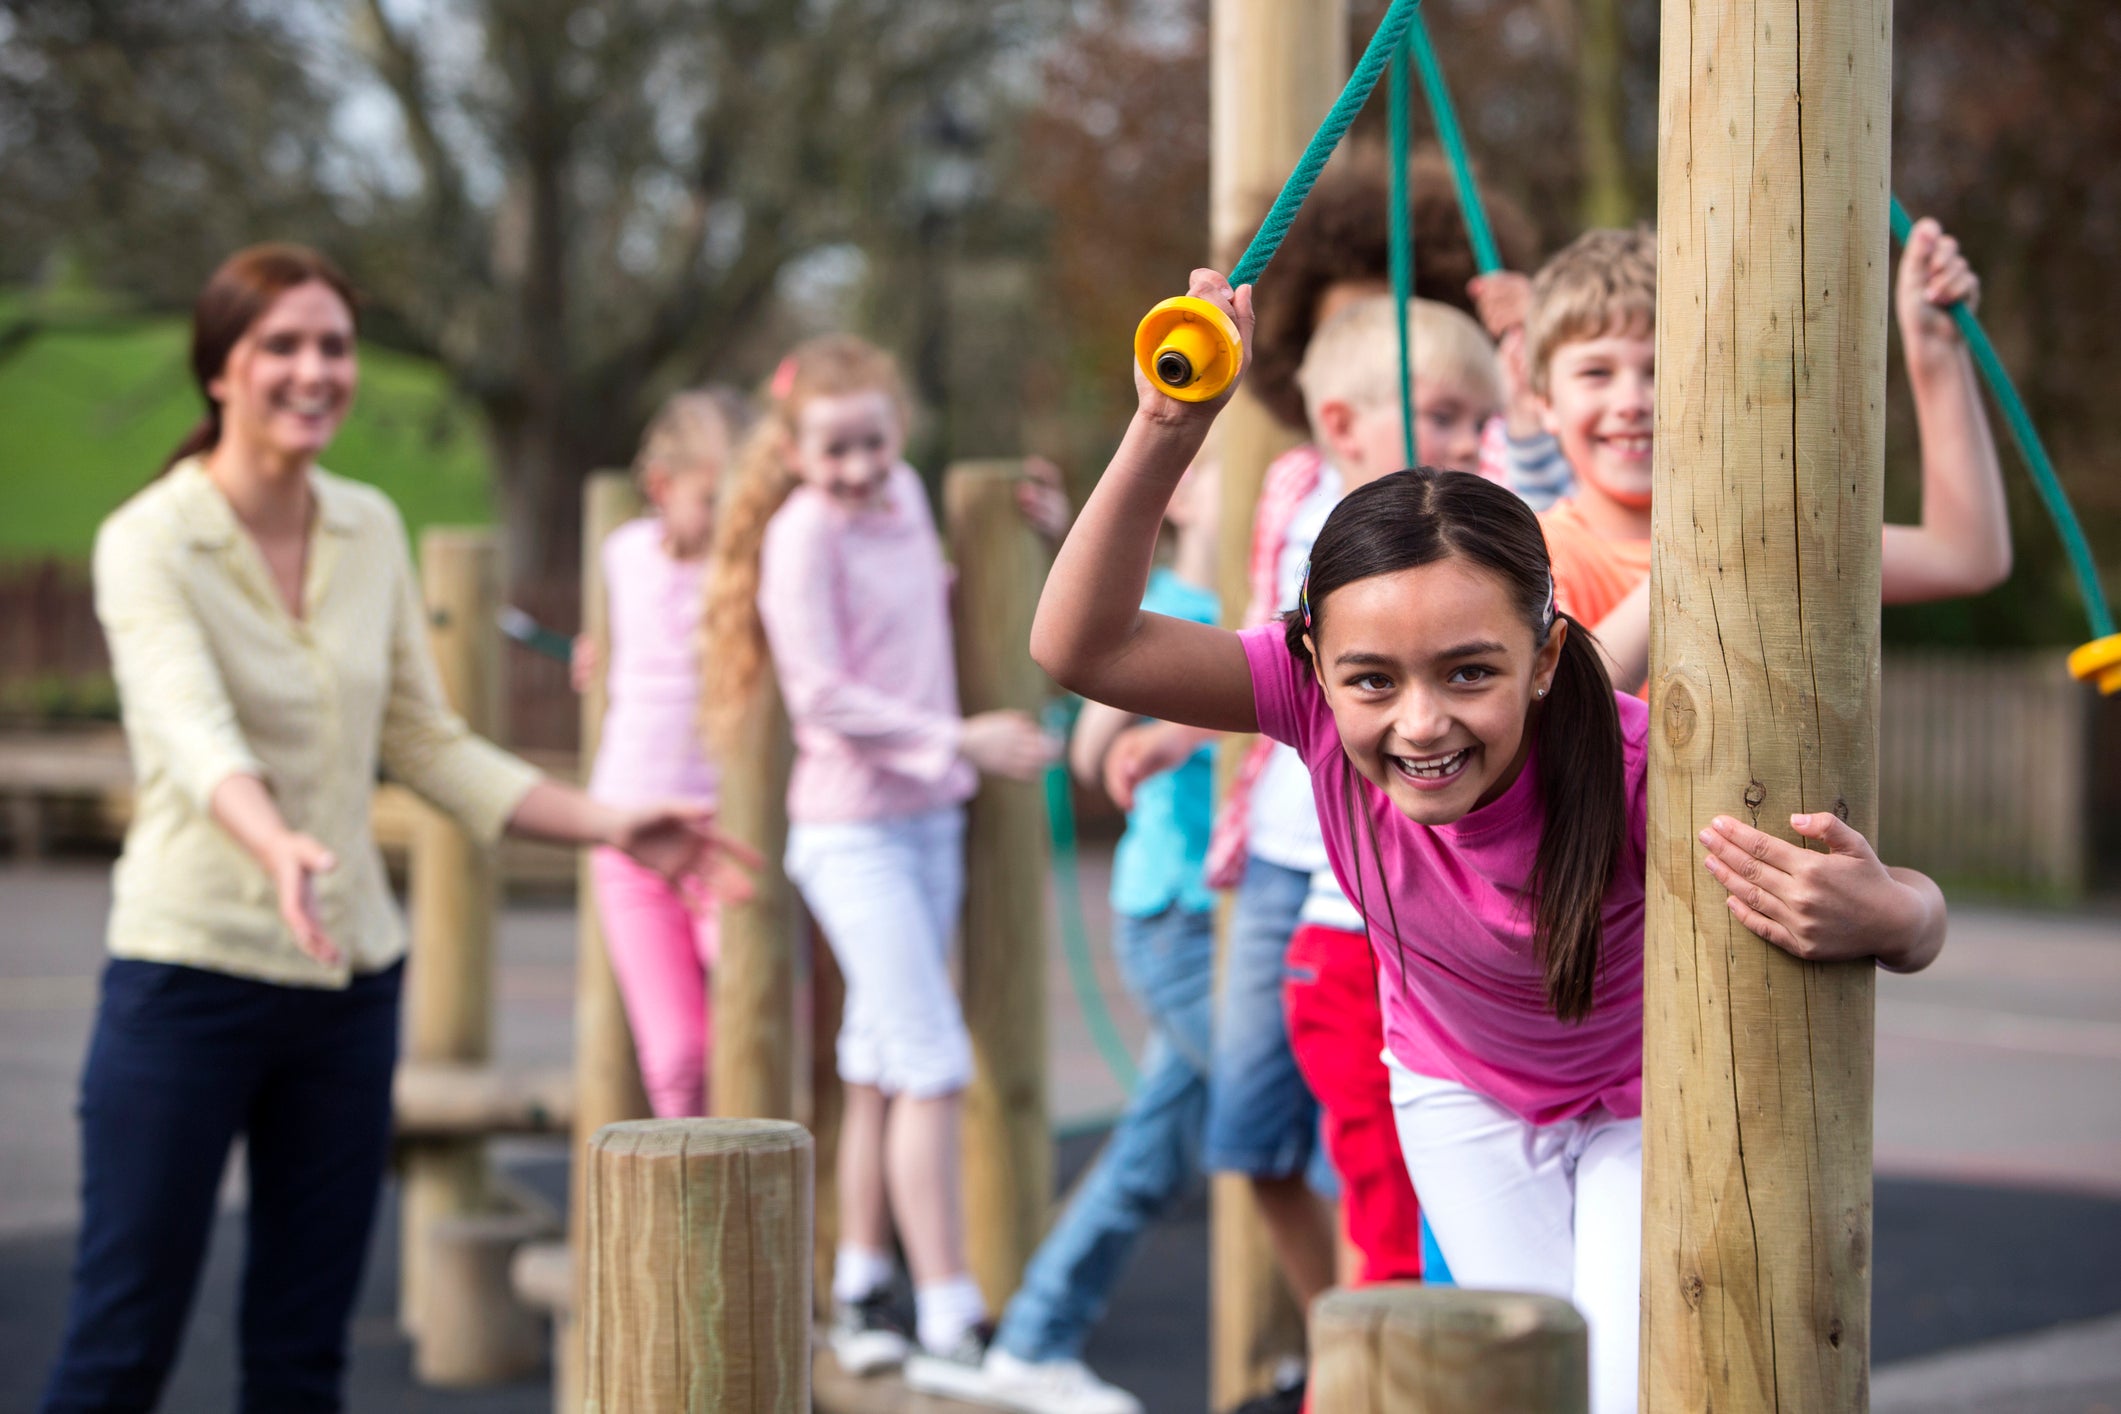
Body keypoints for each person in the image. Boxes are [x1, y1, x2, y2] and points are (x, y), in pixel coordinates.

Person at [1029, 268, 1948, 1414]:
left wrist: (1897, 915)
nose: (1421, 722)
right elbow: (1081, 648)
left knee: (1622, 1388)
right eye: (1375, 678)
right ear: (1313, 663)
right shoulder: (1304, 696)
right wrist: (1168, 426)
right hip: (1458, 1091)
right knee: (1522, 1389)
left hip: (1643, 1101)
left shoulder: (1643, 761)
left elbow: (1903, 902)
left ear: (1548, 654)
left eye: (1470, 671)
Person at [41, 244, 755, 1414]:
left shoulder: (367, 525)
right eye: (283, 345)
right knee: (122, 1343)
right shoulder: (151, 539)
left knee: (302, 1354)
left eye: (334, 345)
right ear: (221, 368)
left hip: (349, 982)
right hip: (188, 976)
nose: (315, 369)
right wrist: (277, 845)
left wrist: (616, 823)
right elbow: (190, 727)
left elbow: (430, 741)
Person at [700, 334, 1055, 1391]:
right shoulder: (802, 535)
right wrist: (961, 739)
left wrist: (1041, 533)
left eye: (871, 443)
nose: (856, 468)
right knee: (934, 1056)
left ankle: (860, 1283)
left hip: (928, 821)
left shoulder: (903, 498)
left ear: (901, 431)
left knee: (879, 1057)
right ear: (794, 447)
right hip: (851, 829)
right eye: (833, 449)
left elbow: (933, 605)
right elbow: (821, 697)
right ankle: (952, 1307)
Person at [948, 460, 1221, 1414]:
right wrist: (1179, 728)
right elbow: (1095, 749)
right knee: (1294, 1103)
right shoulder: (1179, 601)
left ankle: (1031, 1338)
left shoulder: (1278, 588)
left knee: (1153, 1154)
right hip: (1179, 917)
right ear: (1185, 495)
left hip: (1230, 912)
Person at [1522, 221, 2012, 691]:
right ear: (1543, 400)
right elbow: (1559, 722)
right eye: (1595, 373)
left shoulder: (1772, 533)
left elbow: (1966, 557)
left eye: (1661, 369)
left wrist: (1936, 355)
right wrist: (1697, 556)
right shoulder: (1533, 555)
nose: (1632, 401)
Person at [573, 388, 750, 1118]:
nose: (730, 521)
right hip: (632, 833)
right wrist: (595, 655)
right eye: (713, 499)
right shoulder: (622, 555)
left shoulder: (753, 569)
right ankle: (694, 1204)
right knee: (678, 1057)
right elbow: (619, 647)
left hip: (725, 836)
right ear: (661, 489)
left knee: (754, 1024)